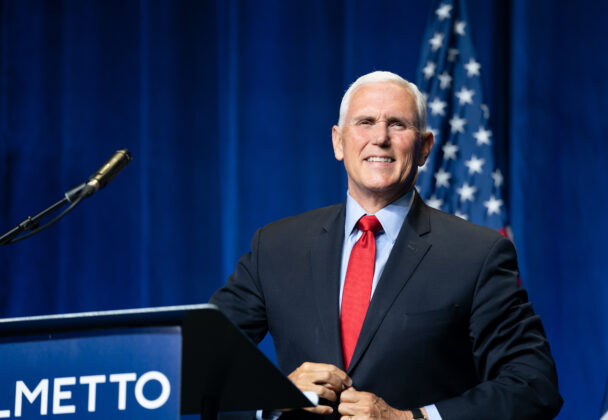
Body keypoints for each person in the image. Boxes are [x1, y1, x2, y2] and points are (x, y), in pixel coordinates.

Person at [210, 71, 563, 420]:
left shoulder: (477, 255)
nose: (380, 137)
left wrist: (412, 419)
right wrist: (276, 395)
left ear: (425, 147)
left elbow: (533, 385)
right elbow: (195, 363)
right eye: (365, 122)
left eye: (397, 124)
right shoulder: (276, 247)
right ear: (338, 142)